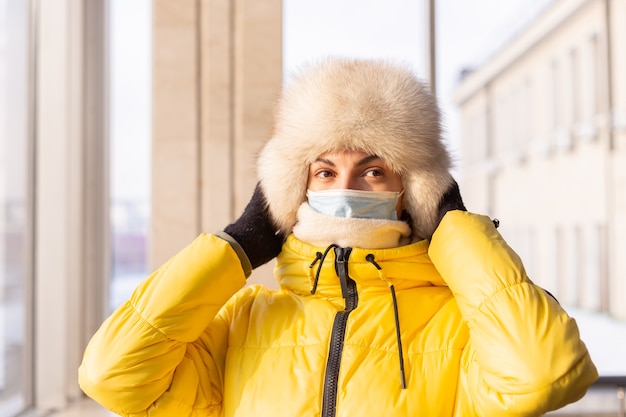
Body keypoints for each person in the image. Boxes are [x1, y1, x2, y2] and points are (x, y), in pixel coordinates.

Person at [79, 58, 598, 417]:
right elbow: (112, 375)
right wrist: (238, 245)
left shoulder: (460, 323)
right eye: (324, 172)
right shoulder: (241, 321)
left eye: (373, 171)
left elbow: (544, 374)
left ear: (409, 192)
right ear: (292, 188)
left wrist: (454, 228)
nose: (346, 186)